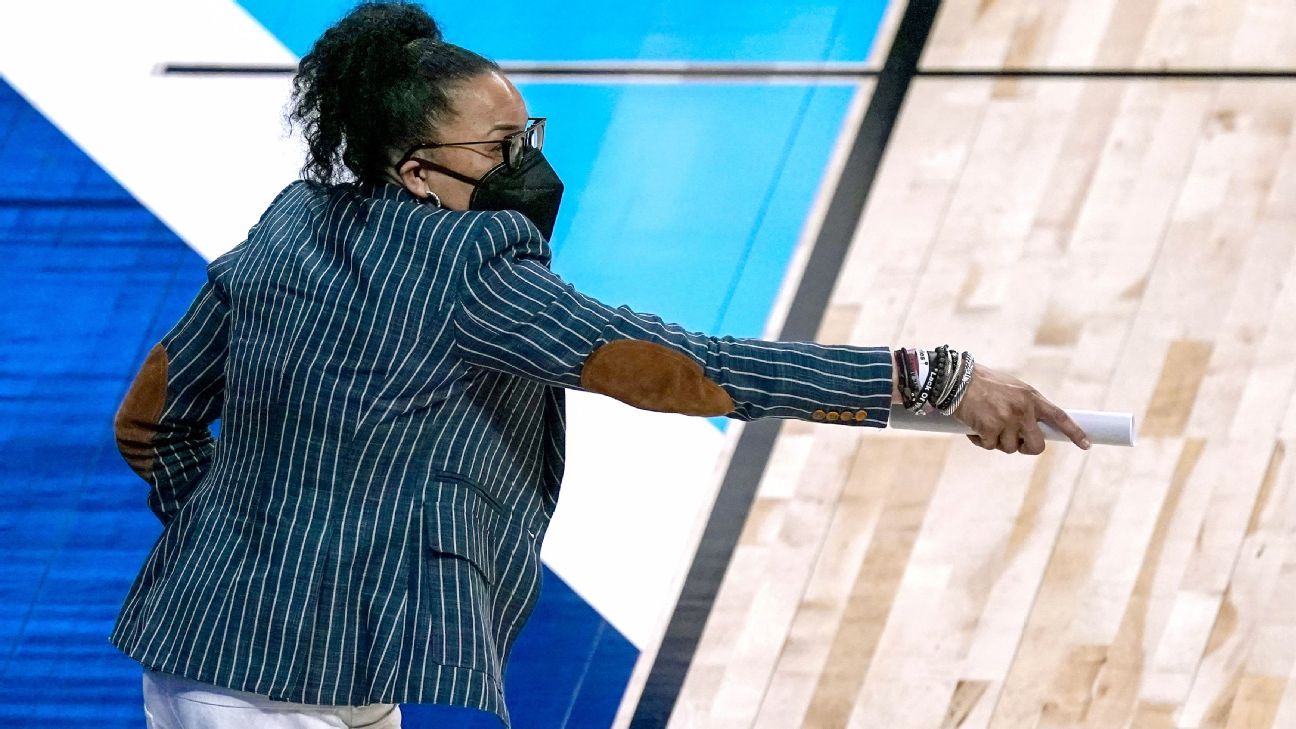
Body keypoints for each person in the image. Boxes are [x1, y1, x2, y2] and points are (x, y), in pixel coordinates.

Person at [109, 2, 1090, 727]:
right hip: (274, 699)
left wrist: (224, 542)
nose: (530, 164)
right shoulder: (474, 272)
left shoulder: (295, 223)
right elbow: (693, 371)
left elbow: (150, 419)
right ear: (417, 169)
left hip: (223, 653)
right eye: (502, 147)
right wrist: (935, 383)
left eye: (528, 133)